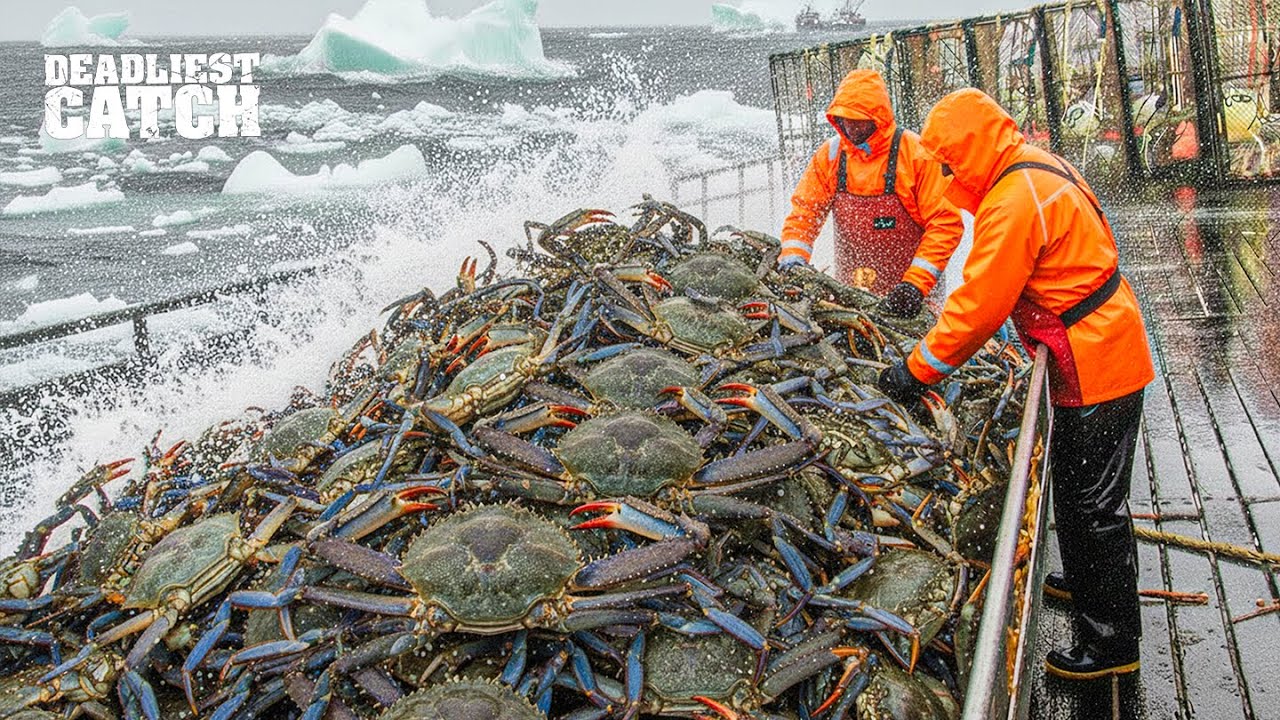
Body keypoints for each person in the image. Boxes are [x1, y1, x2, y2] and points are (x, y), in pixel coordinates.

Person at [876, 88, 1154, 680]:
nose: (948, 175)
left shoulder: (1012, 199)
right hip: (1103, 338)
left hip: (1094, 357)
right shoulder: (1039, 164)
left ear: (970, 149)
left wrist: (914, 370)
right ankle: (1086, 581)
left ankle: (1111, 646)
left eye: (950, 163)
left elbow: (977, 307)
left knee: (1093, 504)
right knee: (1083, 491)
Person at [777, 69, 963, 317]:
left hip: (916, 301)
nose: (852, 126)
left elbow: (945, 223)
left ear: (878, 118)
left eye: (859, 119)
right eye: (846, 118)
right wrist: (793, 259)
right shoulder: (830, 156)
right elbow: (805, 213)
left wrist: (915, 285)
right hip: (851, 296)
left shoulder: (916, 155)